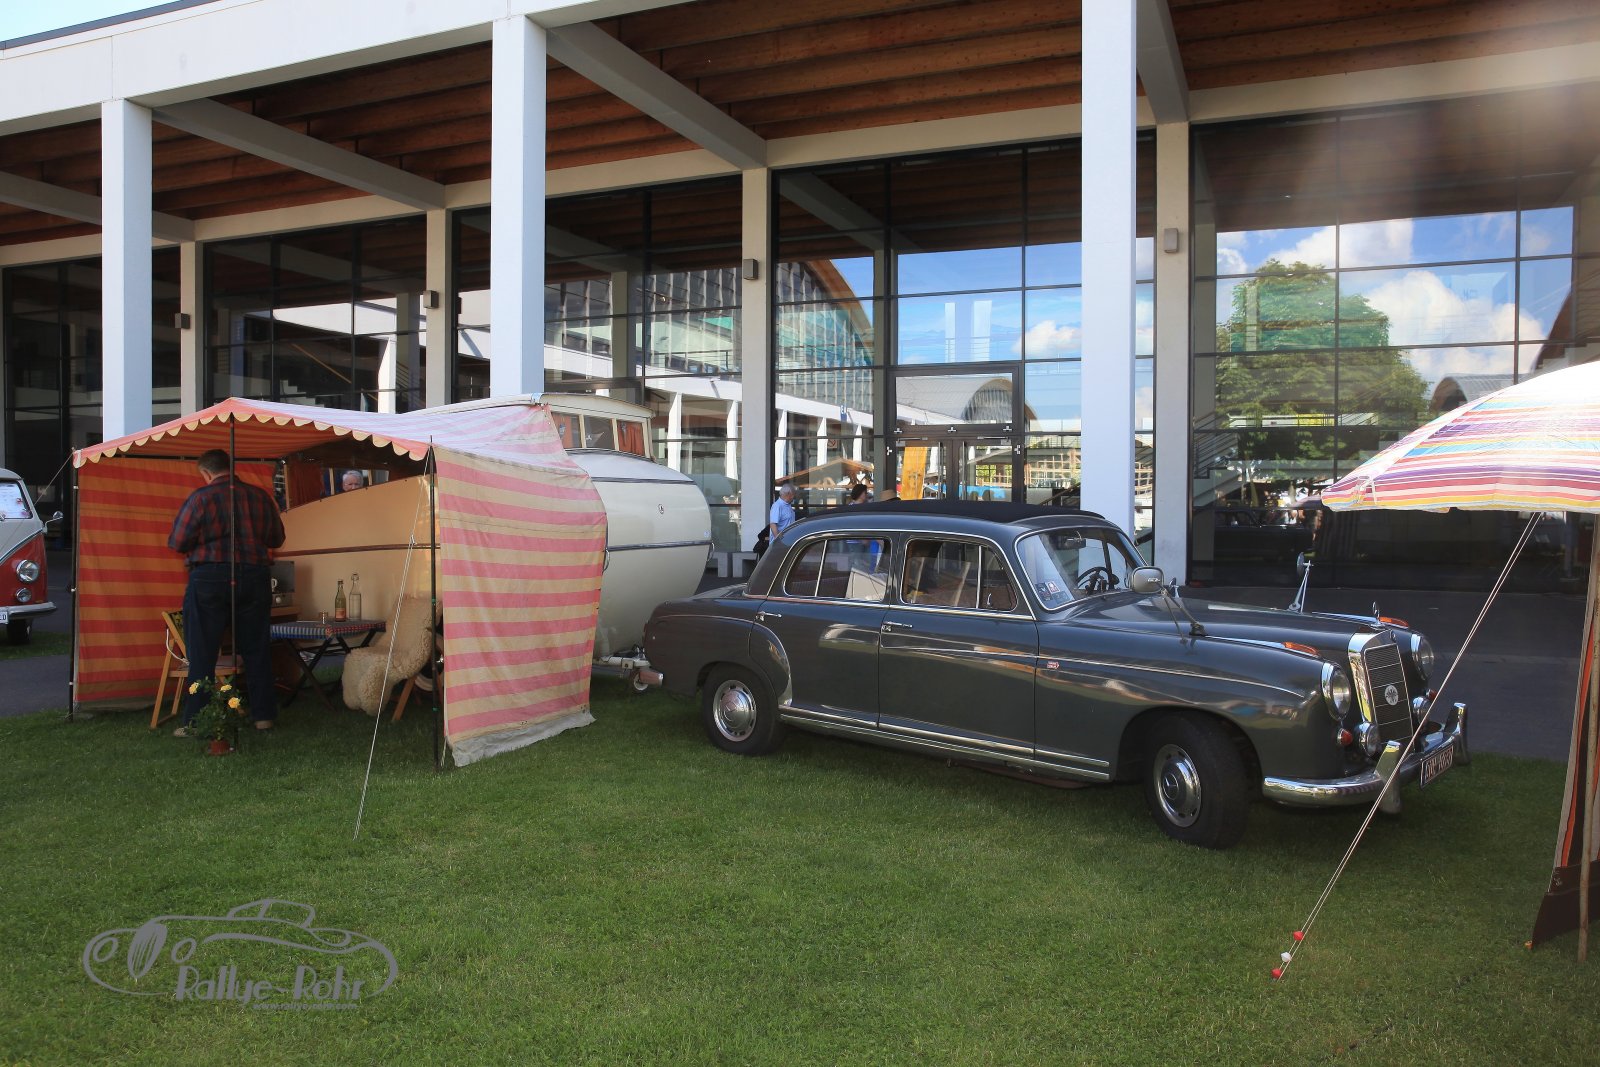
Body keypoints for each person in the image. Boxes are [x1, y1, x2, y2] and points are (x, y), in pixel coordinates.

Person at [168, 449, 285, 735]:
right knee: (256, 648)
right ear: (230, 467)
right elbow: (276, 538)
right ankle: (263, 717)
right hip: (254, 576)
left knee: (202, 651)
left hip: (209, 577)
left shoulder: (200, 498)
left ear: (206, 473)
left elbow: (178, 541)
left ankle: (197, 721)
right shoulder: (260, 496)